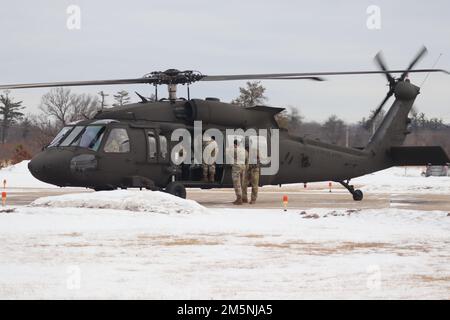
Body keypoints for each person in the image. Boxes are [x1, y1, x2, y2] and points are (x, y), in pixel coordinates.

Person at [228, 139, 247, 205]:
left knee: (237, 184)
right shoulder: (244, 150)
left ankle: (239, 200)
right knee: (241, 183)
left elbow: (228, 153)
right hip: (243, 167)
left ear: (235, 144)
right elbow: (247, 157)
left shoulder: (234, 150)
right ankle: (242, 198)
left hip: (236, 167)